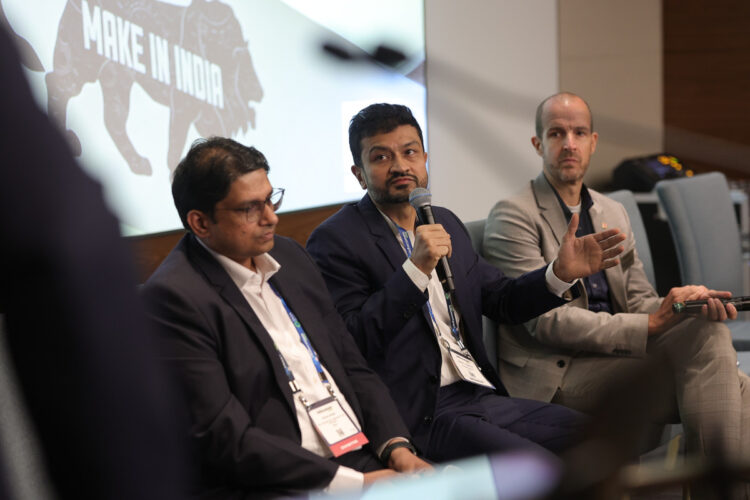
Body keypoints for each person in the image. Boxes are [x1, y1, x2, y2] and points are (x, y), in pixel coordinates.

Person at [306, 103, 626, 464]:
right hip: (425, 412)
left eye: (410, 152)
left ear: (425, 158)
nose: (400, 166)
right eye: (381, 157)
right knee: (538, 468)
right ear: (360, 174)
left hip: (481, 394)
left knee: (608, 442)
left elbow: (502, 300)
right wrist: (415, 270)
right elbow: (354, 341)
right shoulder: (336, 240)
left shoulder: (444, 221)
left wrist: (559, 273)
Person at [141, 137, 431, 499]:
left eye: (270, 198)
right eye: (250, 209)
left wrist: (397, 450)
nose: (271, 217)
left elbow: (351, 365)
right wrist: (357, 485)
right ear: (200, 222)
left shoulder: (290, 257)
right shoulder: (173, 300)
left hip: (359, 456)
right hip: (276, 483)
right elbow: (225, 439)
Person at [482, 92, 750, 465]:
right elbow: (544, 322)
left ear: (593, 142)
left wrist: (680, 304)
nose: (569, 143)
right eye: (557, 133)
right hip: (559, 372)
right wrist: (651, 325)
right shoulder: (513, 216)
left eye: (579, 133)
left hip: (616, 357)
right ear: (538, 143)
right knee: (729, 381)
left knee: (712, 340)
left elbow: (639, 300)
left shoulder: (612, 211)